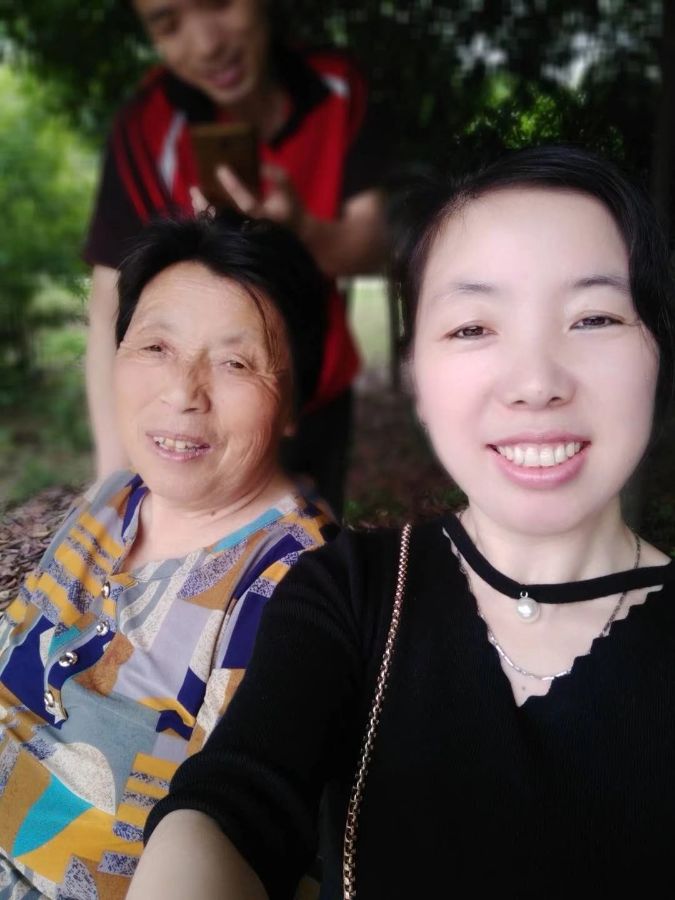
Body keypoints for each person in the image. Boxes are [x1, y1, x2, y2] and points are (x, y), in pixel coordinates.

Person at [129, 145, 675, 898]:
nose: (535, 383)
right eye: (472, 328)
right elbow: (228, 806)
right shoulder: (348, 592)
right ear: (415, 373)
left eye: (593, 317)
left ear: (658, 352)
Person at [0, 212, 338, 898]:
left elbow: (230, 838)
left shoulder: (302, 587)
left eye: (235, 362)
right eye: (156, 346)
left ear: (294, 400)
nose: (182, 392)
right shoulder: (116, 498)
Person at [84, 0, 388, 517]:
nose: (207, 45)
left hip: (319, 390)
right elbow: (108, 302)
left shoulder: (340, 84)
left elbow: (374, 242)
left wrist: (304, 230)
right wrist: (114, 482)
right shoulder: (145, 128)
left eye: (218, 3)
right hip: (195, 403)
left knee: (316, 542)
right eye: (168, 23)